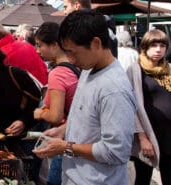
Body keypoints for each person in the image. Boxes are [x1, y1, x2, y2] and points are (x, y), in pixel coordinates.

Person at [32, 10, 136, 184]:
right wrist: (63, 131)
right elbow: (87, 117)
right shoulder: (88, 70)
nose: (70, 60)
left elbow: (116, 151)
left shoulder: (114, 89)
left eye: (73, 53)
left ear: (95, 43)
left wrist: (66, 147)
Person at [33, 22, 80, 185]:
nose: (37, 51)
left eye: (40, 45)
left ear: (54, 45)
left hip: (65, 138)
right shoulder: (77, 66)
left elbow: (55, 115)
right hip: (77, 135)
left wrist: (40, 113)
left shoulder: (58, 73)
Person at [127, 29, 171, 185]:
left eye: (162, 45)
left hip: (168, 134)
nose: (158, 49)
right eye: (154, 45)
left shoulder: (168, 69)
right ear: (145, 47)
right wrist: (142, 138)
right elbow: (131, 106)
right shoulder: (135, 69)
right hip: (148, 133)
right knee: (143, 178)